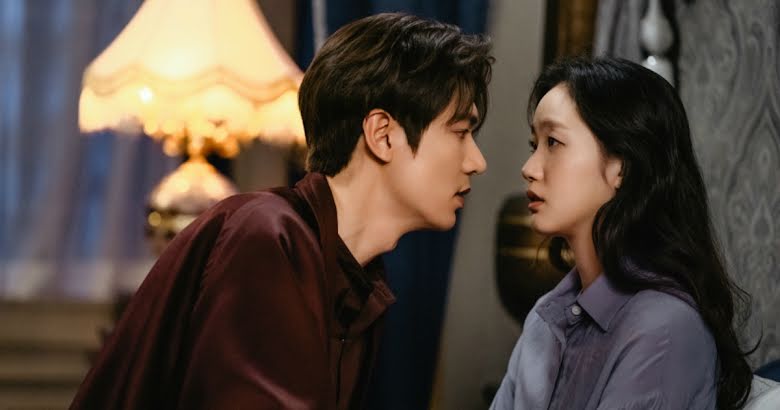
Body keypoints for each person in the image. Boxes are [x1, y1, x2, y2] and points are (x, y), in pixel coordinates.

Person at [70, 13, 492, 410]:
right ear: (382, 135)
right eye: (460, 132)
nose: (477, 161)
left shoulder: (356, 284)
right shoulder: (268, 237)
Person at [490, 56, 753, 410]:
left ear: (622, 166)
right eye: (533, 145)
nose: (529, 168)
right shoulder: (546, 316)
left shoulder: (664, 329)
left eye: (552, 142)